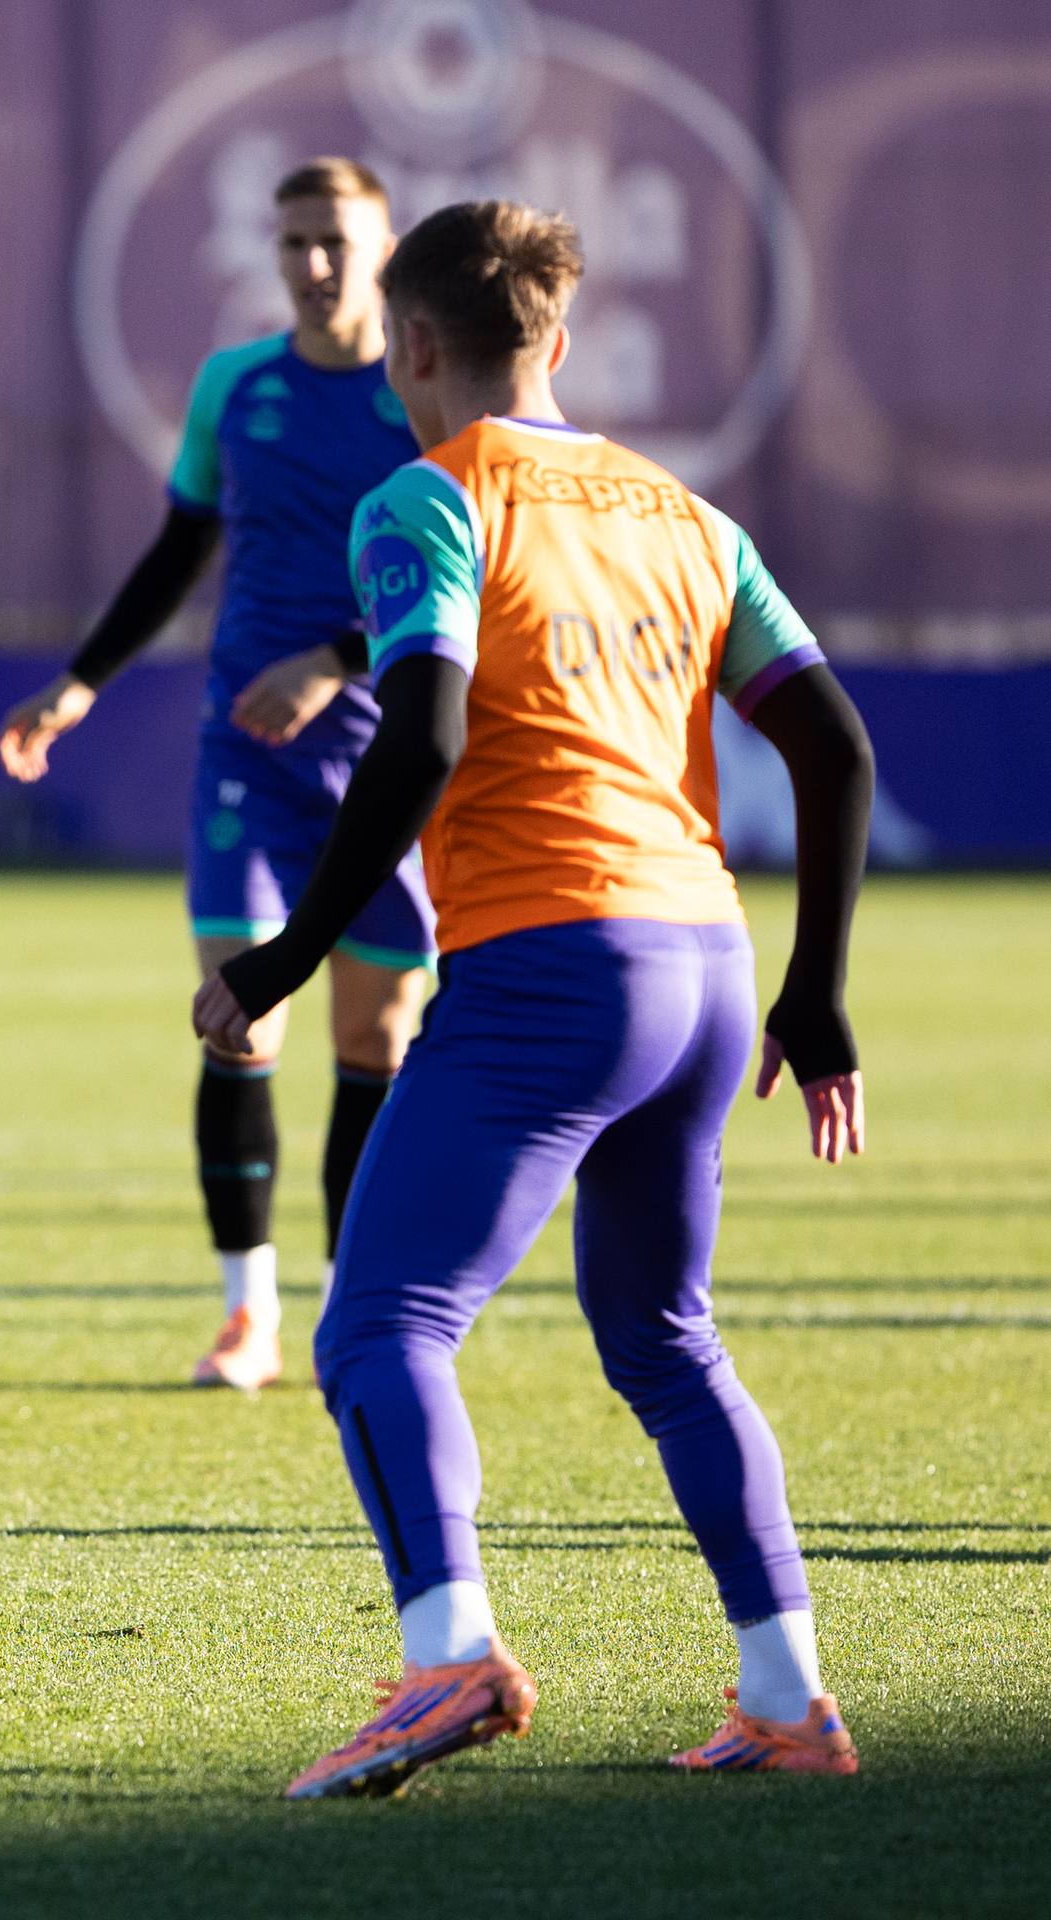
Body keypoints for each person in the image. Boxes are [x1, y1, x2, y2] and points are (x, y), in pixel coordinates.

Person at [192, 202, 875, 1796]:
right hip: (702, 972)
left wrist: (283, 961)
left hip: (550, 962)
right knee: (666, 1341)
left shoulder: (426, 501)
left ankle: (446, 1664)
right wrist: (816, 994)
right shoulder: (687, 516)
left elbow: (417, 733)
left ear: (408, 346)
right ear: (555, 344)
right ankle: (787, 1702)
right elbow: (830, 743)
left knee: (379, 1323)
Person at [0, 158, 430, 1393]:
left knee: (377, 1041)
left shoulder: (420, 394)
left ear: (383, 247)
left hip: (386, 749)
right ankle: (248, 1314)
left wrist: (339, 659)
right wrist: (78, 680)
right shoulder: (232, 386)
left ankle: (353, 1311)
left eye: (335, 242)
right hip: (242, 753)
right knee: (239, 1022)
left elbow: (469, 571)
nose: (311, 265)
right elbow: (180, 542)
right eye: (292, 241)